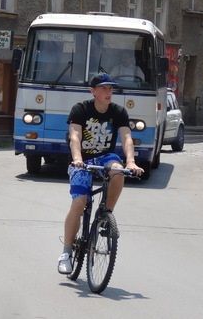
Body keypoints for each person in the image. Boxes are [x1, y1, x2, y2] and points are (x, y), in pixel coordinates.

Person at [57, 72, 144, 274]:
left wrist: (131, 161)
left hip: (105, 156)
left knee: (118, 171)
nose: (108, 92)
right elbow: (75, 135)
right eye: (104, 88)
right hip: (83, 160)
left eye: (110, 88)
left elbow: (127, 137)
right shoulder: (80, 109)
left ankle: (106, 214)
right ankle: (66, 252)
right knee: (79, 202)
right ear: (93, 91)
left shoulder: (118, 112)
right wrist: (77, 159)